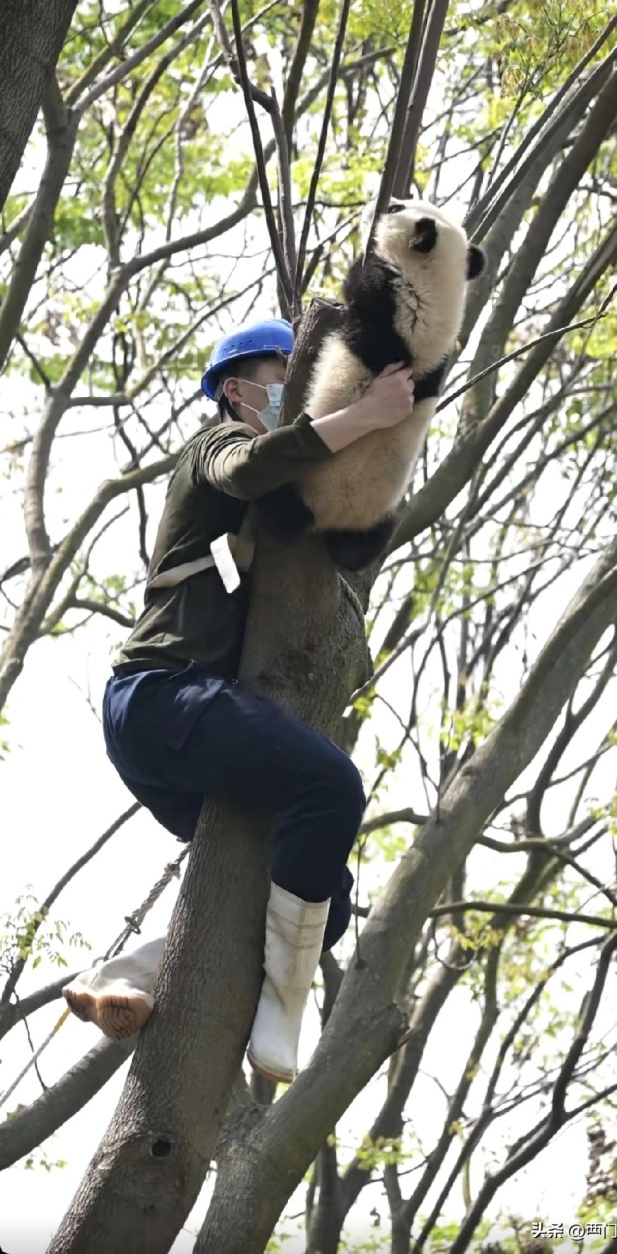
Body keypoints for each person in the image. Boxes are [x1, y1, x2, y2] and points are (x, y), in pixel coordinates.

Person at [63, 318, 415, 1083]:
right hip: (161, 691)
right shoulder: (213, 448)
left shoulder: (282, 505)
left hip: (180, 726)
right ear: (235, 388)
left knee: (327, 899)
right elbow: (251, 466)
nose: (293, 382)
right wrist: (364, 413)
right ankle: (281, 1009)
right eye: (281, 369)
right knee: (329, 785)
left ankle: (129, 973)